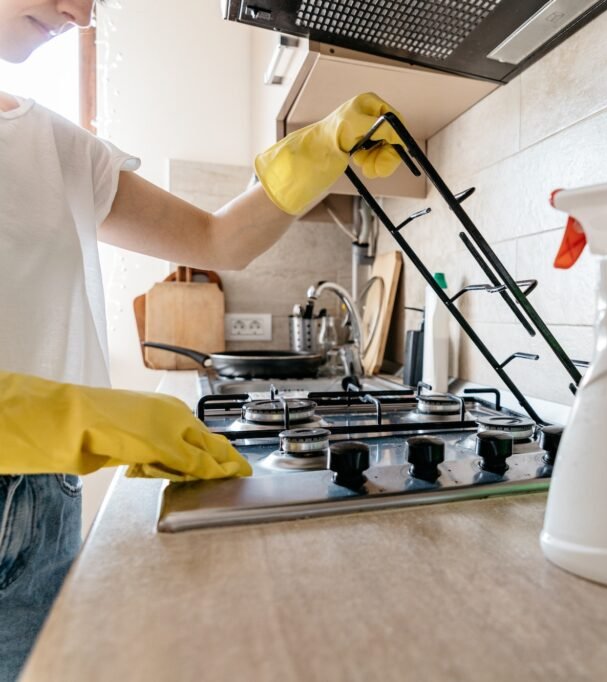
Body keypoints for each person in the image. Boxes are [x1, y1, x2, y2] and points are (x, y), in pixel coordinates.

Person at [0, 1, 404, 677]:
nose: (79, 11)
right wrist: (51, 414)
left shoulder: (55, 146)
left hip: (42, 496)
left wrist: (317, 149)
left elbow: (215, 240)